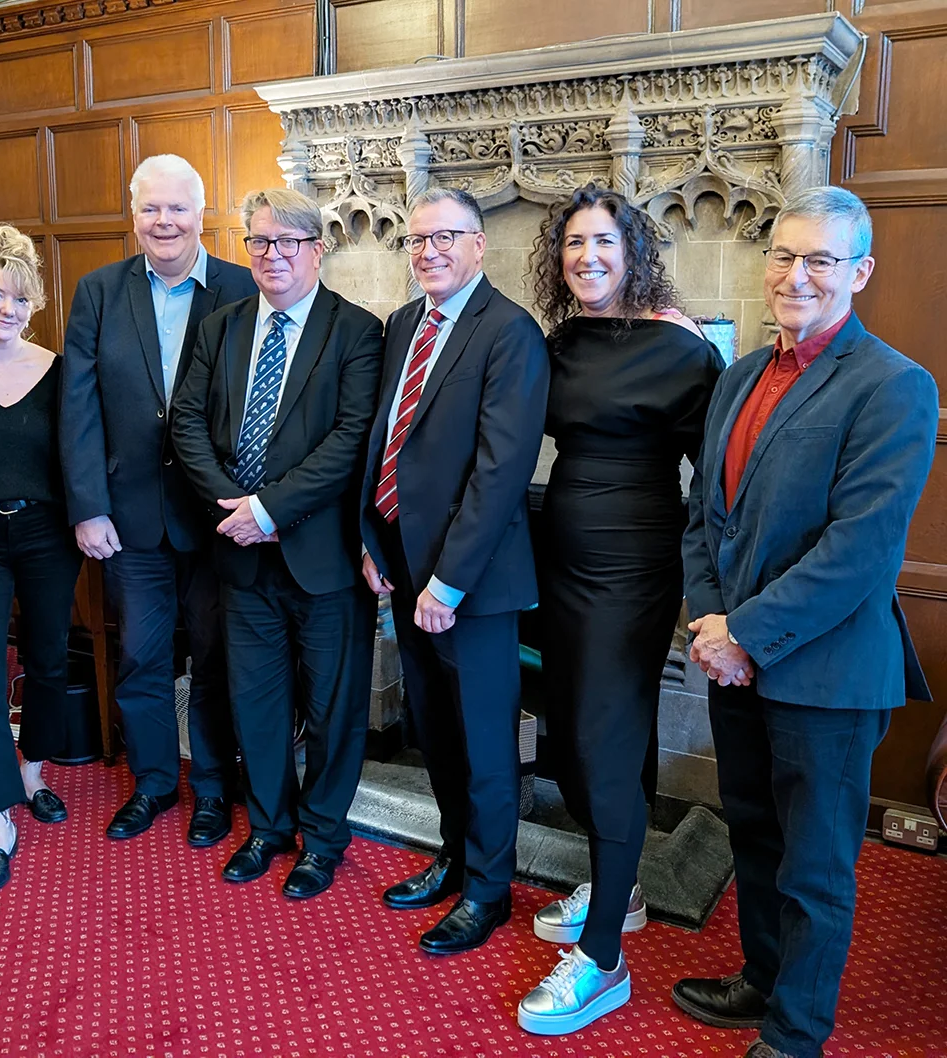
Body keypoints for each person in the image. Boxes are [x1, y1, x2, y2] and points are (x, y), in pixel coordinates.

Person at [676, 185, 937, 1058]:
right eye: (784, 255)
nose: (797, 275)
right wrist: (712, 623)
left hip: (827, 675)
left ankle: (795, 1034)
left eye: (821, 259)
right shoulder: (740, 375)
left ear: (860, 270)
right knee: (752, 832)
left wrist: (743, 634)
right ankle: (762, 979)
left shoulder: (895, 386)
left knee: (815, 867)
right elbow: (704, 518)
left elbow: (858, 552)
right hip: (735, 660)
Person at [516, 185, 723, 1034]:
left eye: (604, 241)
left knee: (602, 734)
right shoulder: (562, 341)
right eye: (574, 243)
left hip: (634, 565)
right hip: (559, 559)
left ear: (632, 250)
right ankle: (621, 888)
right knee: (589, 729)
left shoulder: (683, 348)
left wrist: (708, 589)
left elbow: (716, 479)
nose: (587, 256)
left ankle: (603, 960)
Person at [171, 187, 382, 899]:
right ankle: (267, 828)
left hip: (323, 559)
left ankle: (321, 840)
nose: (272, 256)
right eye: (259, 241)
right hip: (238, 551)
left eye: (288, 242)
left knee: (331, 711)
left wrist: (269, 508)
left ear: (316, 251)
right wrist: (231, 505)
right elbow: (187, 423)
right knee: (255, 704)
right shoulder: (222, 328)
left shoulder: (357, 331)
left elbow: (351, 440)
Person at [359, 187, 549, 954]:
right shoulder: (405, 324)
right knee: (435, 732)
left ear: (479, 245)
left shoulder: (510, 332)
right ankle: (454, 856)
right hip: (405, 567)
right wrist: (372, 545)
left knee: (484, 742)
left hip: (472, 583)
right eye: (417, 239)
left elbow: (502, 472)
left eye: (446, 237)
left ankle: (489, 891)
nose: (429, 251)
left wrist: (449, 582)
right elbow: (386, 441)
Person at [59, 154, 256, 847]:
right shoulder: (98, 291)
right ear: (134, 215)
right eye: (151, 208)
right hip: (129, 516)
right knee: (142, 657)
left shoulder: (242, 286)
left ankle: (213, 787)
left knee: (214, 657)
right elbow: (78, 405)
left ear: (200, 214)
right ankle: (153, 782)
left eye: (177, 208)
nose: (164, 221)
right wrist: (88, 505)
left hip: (219, 516)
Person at [0, 226, 82, 893]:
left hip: (46, 536)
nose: (8, 308)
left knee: (48, 659)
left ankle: (33, 773)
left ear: (35, 306)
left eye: (20, 299)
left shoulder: (58, 371)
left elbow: (79, 454)